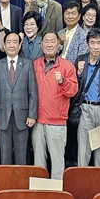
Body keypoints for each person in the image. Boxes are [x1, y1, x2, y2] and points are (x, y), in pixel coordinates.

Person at [32, 30, 78, 180]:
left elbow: (73, 91)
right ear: (41, 45)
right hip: (38, 120)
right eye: (46, 41)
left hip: (57, 121)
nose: (49, 44)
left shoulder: (67, 66)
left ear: (59, 44)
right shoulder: (35, 64)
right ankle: (39, 190)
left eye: (53, 41)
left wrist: (62, 81)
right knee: (38, 160)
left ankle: (57, 191)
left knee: (57, 160)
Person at [0, 31, 38, 165]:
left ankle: (21, 179)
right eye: (8, 42)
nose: (11, 45)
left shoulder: (28, 64)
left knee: (22, 156)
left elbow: (33, 91)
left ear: (20, 45)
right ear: (4, 45)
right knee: (5, 156)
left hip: (22, 116)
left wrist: (32, 115)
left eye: (15, 42)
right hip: (3, 116)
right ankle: (7, 179)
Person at [73, 28, 100, 167]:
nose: (96, 46)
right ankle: (82, 178)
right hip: (84, 108)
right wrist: (79, 73)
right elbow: (73, 87)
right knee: (83, 151)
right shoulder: (80, 60)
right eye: (92, 43)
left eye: (99, 43)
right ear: (87, 44)